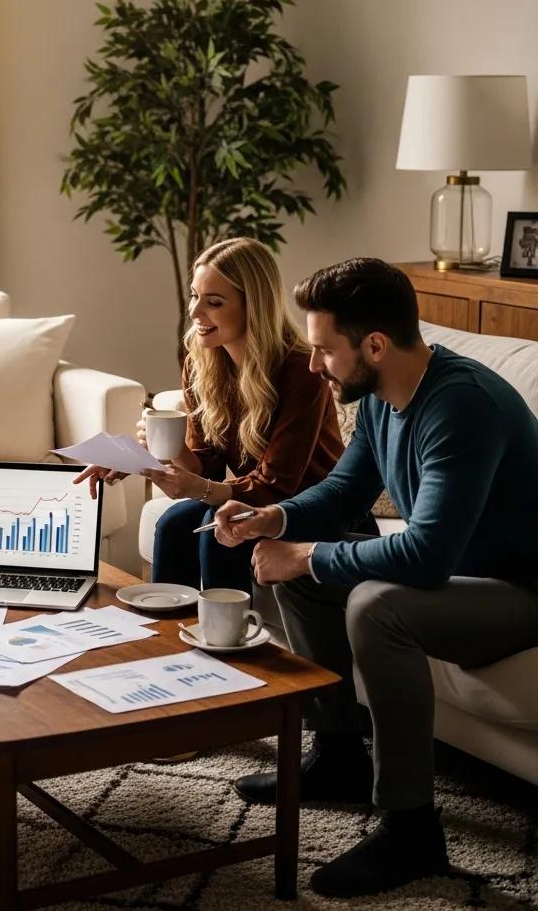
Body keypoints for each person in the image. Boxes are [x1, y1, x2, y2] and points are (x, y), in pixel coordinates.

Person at [214, 258, 538, 898]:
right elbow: (343, 492)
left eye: (323, 350)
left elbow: (426, 557)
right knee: (300, 567)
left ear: (375, 345)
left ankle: (412, 831)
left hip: (519, 592)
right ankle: (338, 756)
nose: (314, 365)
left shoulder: (461, 406)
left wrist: (306, 554)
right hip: (461, 575)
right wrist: (273, 518)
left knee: (373, 605)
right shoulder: (383, 397)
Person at [76, 237, 347, 591]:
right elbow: (208, 467)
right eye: (194, 296)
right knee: (173, 524)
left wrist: (201, 489)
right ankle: (168, 625)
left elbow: (276, 486)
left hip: (308, 509)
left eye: (214, 302)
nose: (194, 312)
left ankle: (229, 627)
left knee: (217, 532)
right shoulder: (202, 363)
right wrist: (145, 456)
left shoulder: (301, 370)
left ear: (254, 306)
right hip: (260, 500)